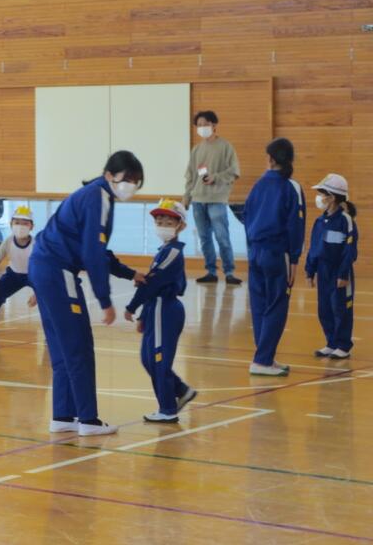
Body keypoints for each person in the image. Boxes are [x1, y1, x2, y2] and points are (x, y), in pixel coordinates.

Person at [29, 151, 145, 437]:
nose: (131, 185)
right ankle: (88, 419)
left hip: (44, 268)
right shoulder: (99, 197)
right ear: (109, 175)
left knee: (61, 348)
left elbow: (95, 248)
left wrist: (129, 273)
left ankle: (63, 416)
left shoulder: (93, 194)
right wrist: (105, 300)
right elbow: (92, 252)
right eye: (127, 178)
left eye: (136, 181)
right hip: (58, 271)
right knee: (78, 345)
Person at [124, 199, 197, 423]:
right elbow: (152, 284)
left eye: (168, 222)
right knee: (148, 359)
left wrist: (132, 306)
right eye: (159, 221)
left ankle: (167, 409)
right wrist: (144, 315)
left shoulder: (173, 251)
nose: (162, 225)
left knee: (159, 361)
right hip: (154, 309)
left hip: (165, 309)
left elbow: (153, 283)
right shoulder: (163, 250)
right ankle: (181, 390)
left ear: (180, 225)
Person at [244, 138, 306, 376]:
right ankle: (262, 360)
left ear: (270, 159)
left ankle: (265, 357)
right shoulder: (291, 187)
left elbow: (247, 216)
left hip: (255, 252)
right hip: (277, 253)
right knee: (276, 306)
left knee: (259, 305)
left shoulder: (258, 185)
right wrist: (294, 259)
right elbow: (295, 225)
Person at [184, 111, 242, 285]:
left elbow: (234, 171)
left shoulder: (225, 146)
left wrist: (215, 177)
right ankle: (211, 271)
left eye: (205, 124)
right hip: (198, 200)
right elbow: (190, 176)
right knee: (204, 238)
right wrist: (186, 197)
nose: (202, 128)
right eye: (199, 125)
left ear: (214, 125)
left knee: (222, 237)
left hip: (217, 199)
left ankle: (229, 272)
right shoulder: (196, 149)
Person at [306, 174, 358, 360]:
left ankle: (343, 345)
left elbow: (349, 250)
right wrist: (310, 270)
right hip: (323, 272)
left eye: (322, 194)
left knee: (341, 308)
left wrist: (343, 274)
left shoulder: (346, 220)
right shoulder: (319, 222)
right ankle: (331, 342)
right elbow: (314, 248)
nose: (319, 198)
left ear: (332, 197)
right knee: (325, 309)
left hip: (339, 272)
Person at [0, 205, 34, 335]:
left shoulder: (36, 244)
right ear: (11, 224)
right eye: (17, 222)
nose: (20, 226)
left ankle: (49, 331)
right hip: (13, 275)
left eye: (25, 223)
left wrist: (38, 294)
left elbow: (44, 271)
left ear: (31, 226)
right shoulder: (8, 241)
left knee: (48, 298)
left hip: (34, 276)